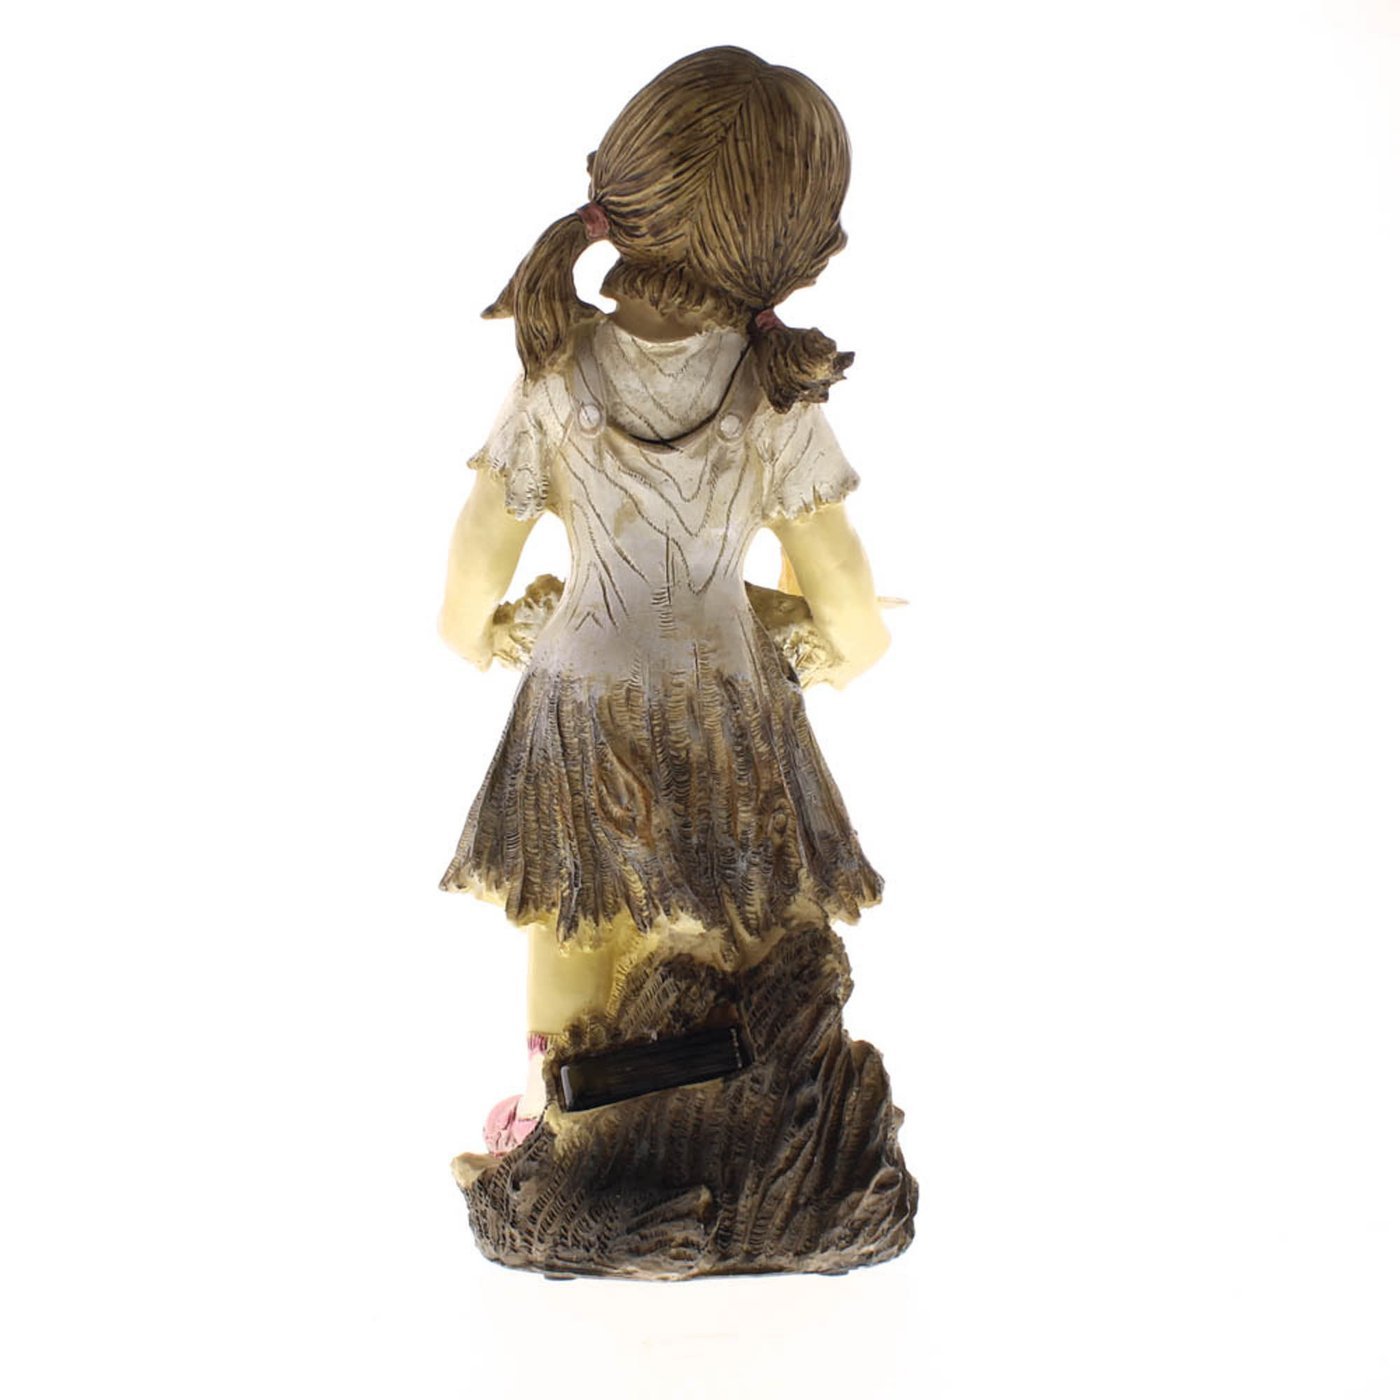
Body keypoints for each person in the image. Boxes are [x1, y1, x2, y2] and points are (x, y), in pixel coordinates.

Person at [438, 46, 892, 1155]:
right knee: (735, 910)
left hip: (577, 697)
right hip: (724, 700)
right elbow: (849, 605)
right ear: (786, 246)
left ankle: (558, 1115)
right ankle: (729, 1106)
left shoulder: (554, 375)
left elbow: (474, 563)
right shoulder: (773, 396)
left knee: (570, 910)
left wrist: (482, 631)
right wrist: (825, 648)